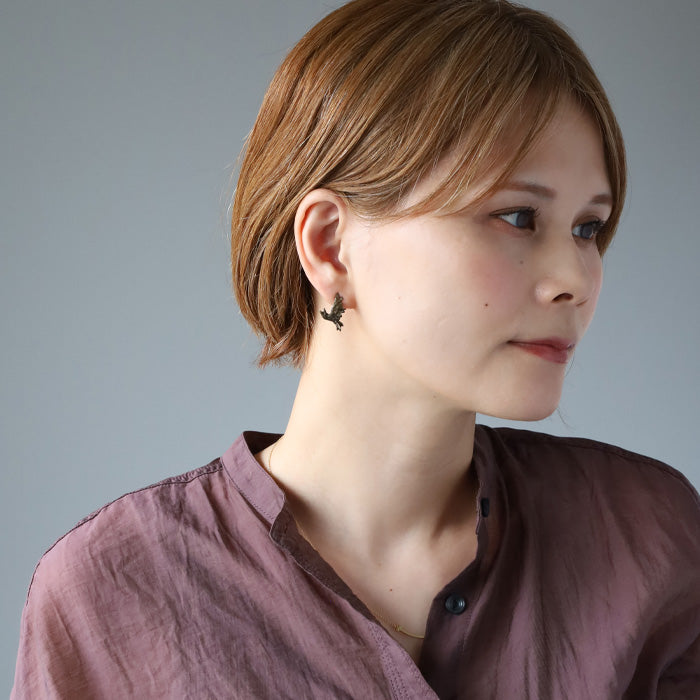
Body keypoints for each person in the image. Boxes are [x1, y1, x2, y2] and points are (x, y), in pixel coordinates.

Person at [12, 0, 700, 697]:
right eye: (518, 216)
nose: (574, 279)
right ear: (329, 244)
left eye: (588, 228)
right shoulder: (112, 598)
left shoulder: (647, 539)